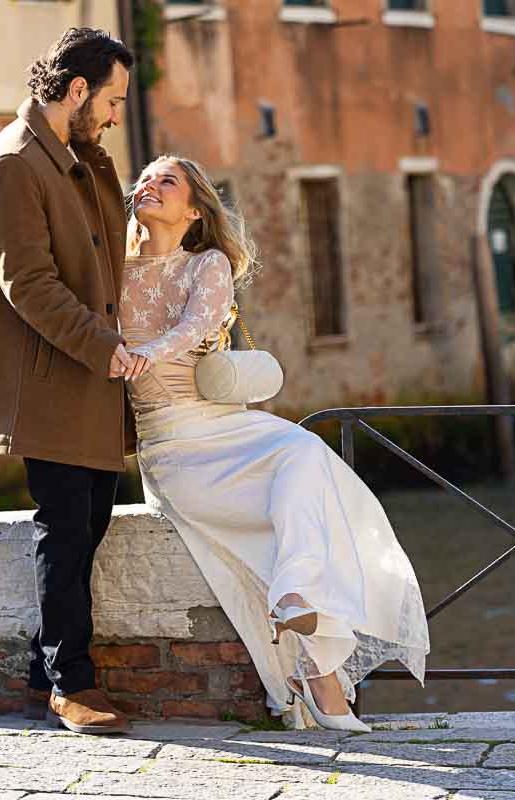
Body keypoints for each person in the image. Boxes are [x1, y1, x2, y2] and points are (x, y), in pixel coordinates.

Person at [119, 155, 430, 731]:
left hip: (225, 425)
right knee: (285, 511)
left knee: (305, 452)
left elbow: (198, 322)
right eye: (144, 178)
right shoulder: (108, 268)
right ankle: (319, 679)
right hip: (169, 446)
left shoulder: (207, 263)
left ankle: (295, 600)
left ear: (193, 210)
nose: (149, 186)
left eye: (168, 181)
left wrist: (145, 352)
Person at [0, 27, 137, 735]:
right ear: (78, 89)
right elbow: (28, 284)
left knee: (88, 525)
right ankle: (72, 687)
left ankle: (43, 671)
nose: (117, 116)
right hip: (50, 382)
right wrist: (106, 347)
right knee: (64, 530)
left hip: (88, 378)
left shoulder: (76, 161)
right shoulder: (12, 165)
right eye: (113, 100)